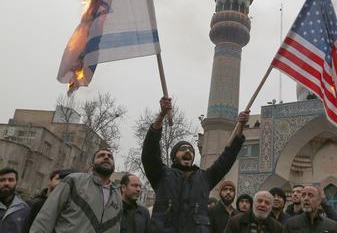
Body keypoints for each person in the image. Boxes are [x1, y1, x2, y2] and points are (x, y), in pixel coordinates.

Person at [143, 97, 248, 232]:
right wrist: (161, 115)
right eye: (183, 149)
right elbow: (149, 153)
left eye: (191, 150)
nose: (188, 152)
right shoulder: (162, 175)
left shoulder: (204, 178)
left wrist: (241, 127)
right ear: (174, 156)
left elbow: (226, 159)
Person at [29, 149, 122, 233]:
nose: (106, 157)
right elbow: (46, 217)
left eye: (110, 157)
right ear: (92, 164)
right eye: (101, 155)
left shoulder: (117, 197)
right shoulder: (73, 181)